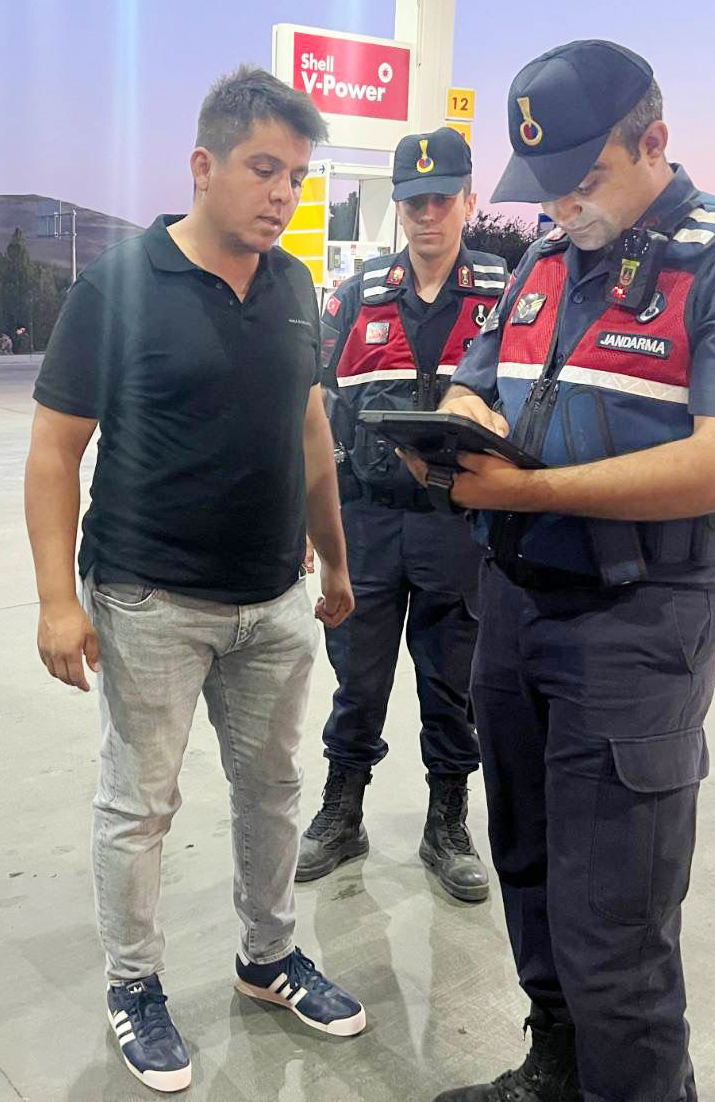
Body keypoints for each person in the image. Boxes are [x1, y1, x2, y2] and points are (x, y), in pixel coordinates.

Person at [402, 41, 715, 1102]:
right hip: (514, 610)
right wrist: (456, 424)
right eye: (546, 185)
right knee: (529, 866)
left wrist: (529, 489)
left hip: (635, 625)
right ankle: (556, 1068)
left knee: (614, 923)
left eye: (583, 178)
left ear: (655, 143)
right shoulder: (545, 261)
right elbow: (476, 379)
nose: (561, 206)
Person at [23, 65, 367, 1095]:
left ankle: (269, 958)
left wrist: (334, 556)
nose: (283, 194)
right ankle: (134, 985)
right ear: (203, 166)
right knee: (140, 806)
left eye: (296, 177)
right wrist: (56, 601)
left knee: (273, 791)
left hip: (273, 600)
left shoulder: (295, 287)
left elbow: (310, 429)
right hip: (151, 601)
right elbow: (54, 451)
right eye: (264, 169)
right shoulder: (117, 287)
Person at [298, 127, 507, 903]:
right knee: (357, 679)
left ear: (468, 201)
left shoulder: (505, 297)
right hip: (368, 523)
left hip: (459, 526)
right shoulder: (358, 297)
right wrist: (308, 520)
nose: (427, 215)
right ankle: (342, 812)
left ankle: (446, 823)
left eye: (442, 199)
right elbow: (316, 408)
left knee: (452, 683)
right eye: (414, 202)